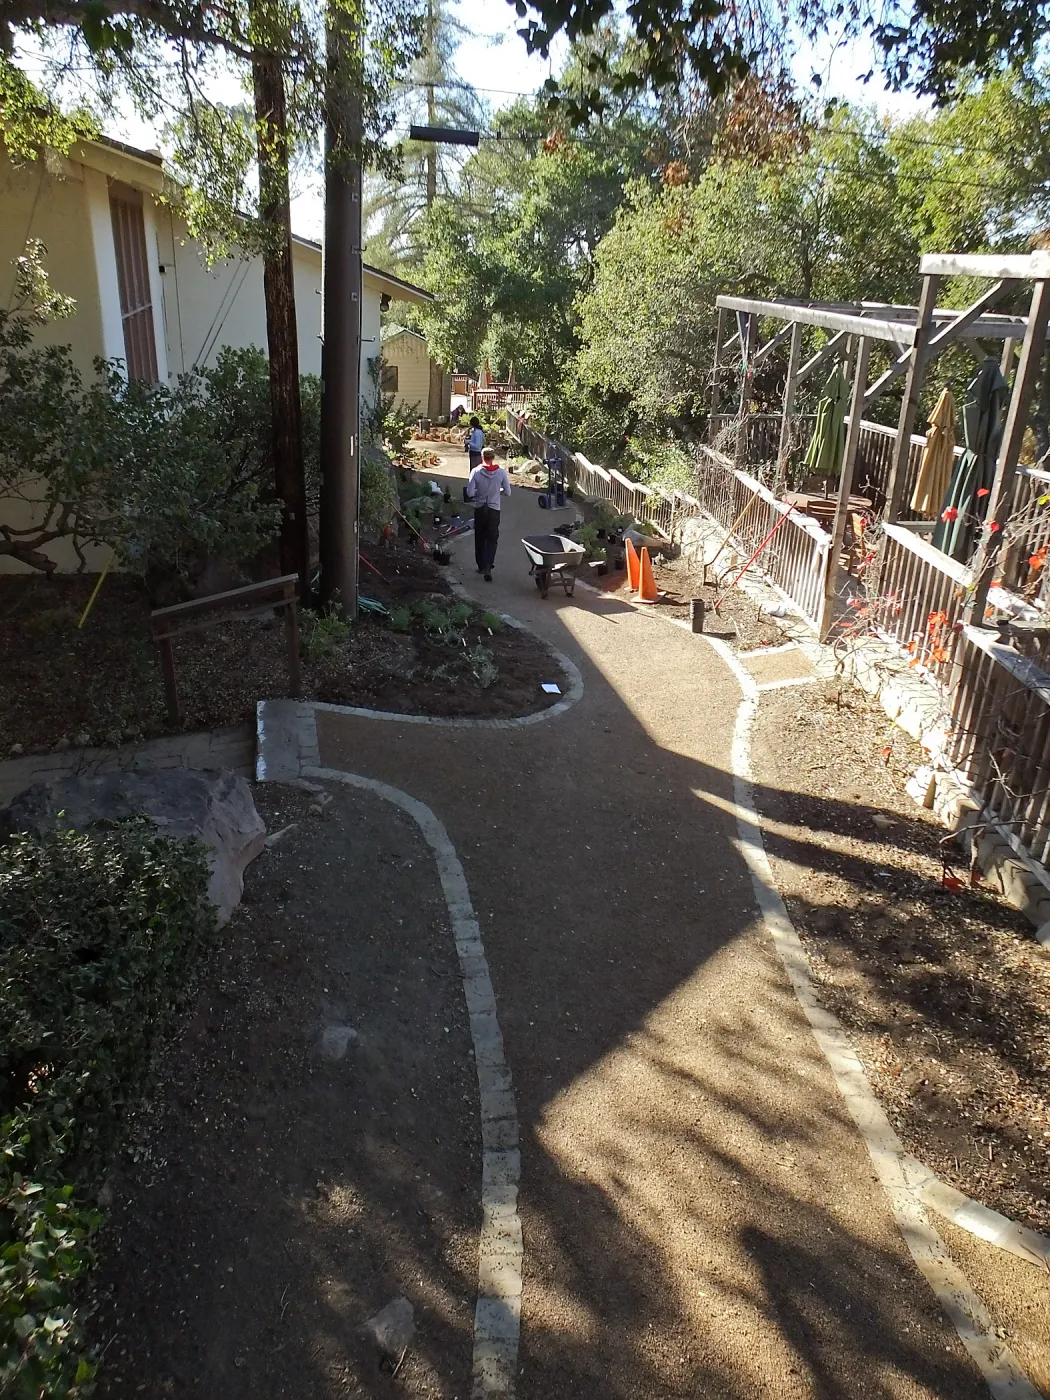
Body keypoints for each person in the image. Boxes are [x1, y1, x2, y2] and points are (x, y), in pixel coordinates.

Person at [465, 447, 511, 581]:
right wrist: (498, 490)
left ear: (482, 457)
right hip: (494, 509)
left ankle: (480, 566)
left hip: (480, 508)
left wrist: (479, 492)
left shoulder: (476, 472)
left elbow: (470, 493)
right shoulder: (501, 473)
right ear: (493, 457)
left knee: (479, 537)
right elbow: (508, 492)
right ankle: (488, 566)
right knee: (492, 539)